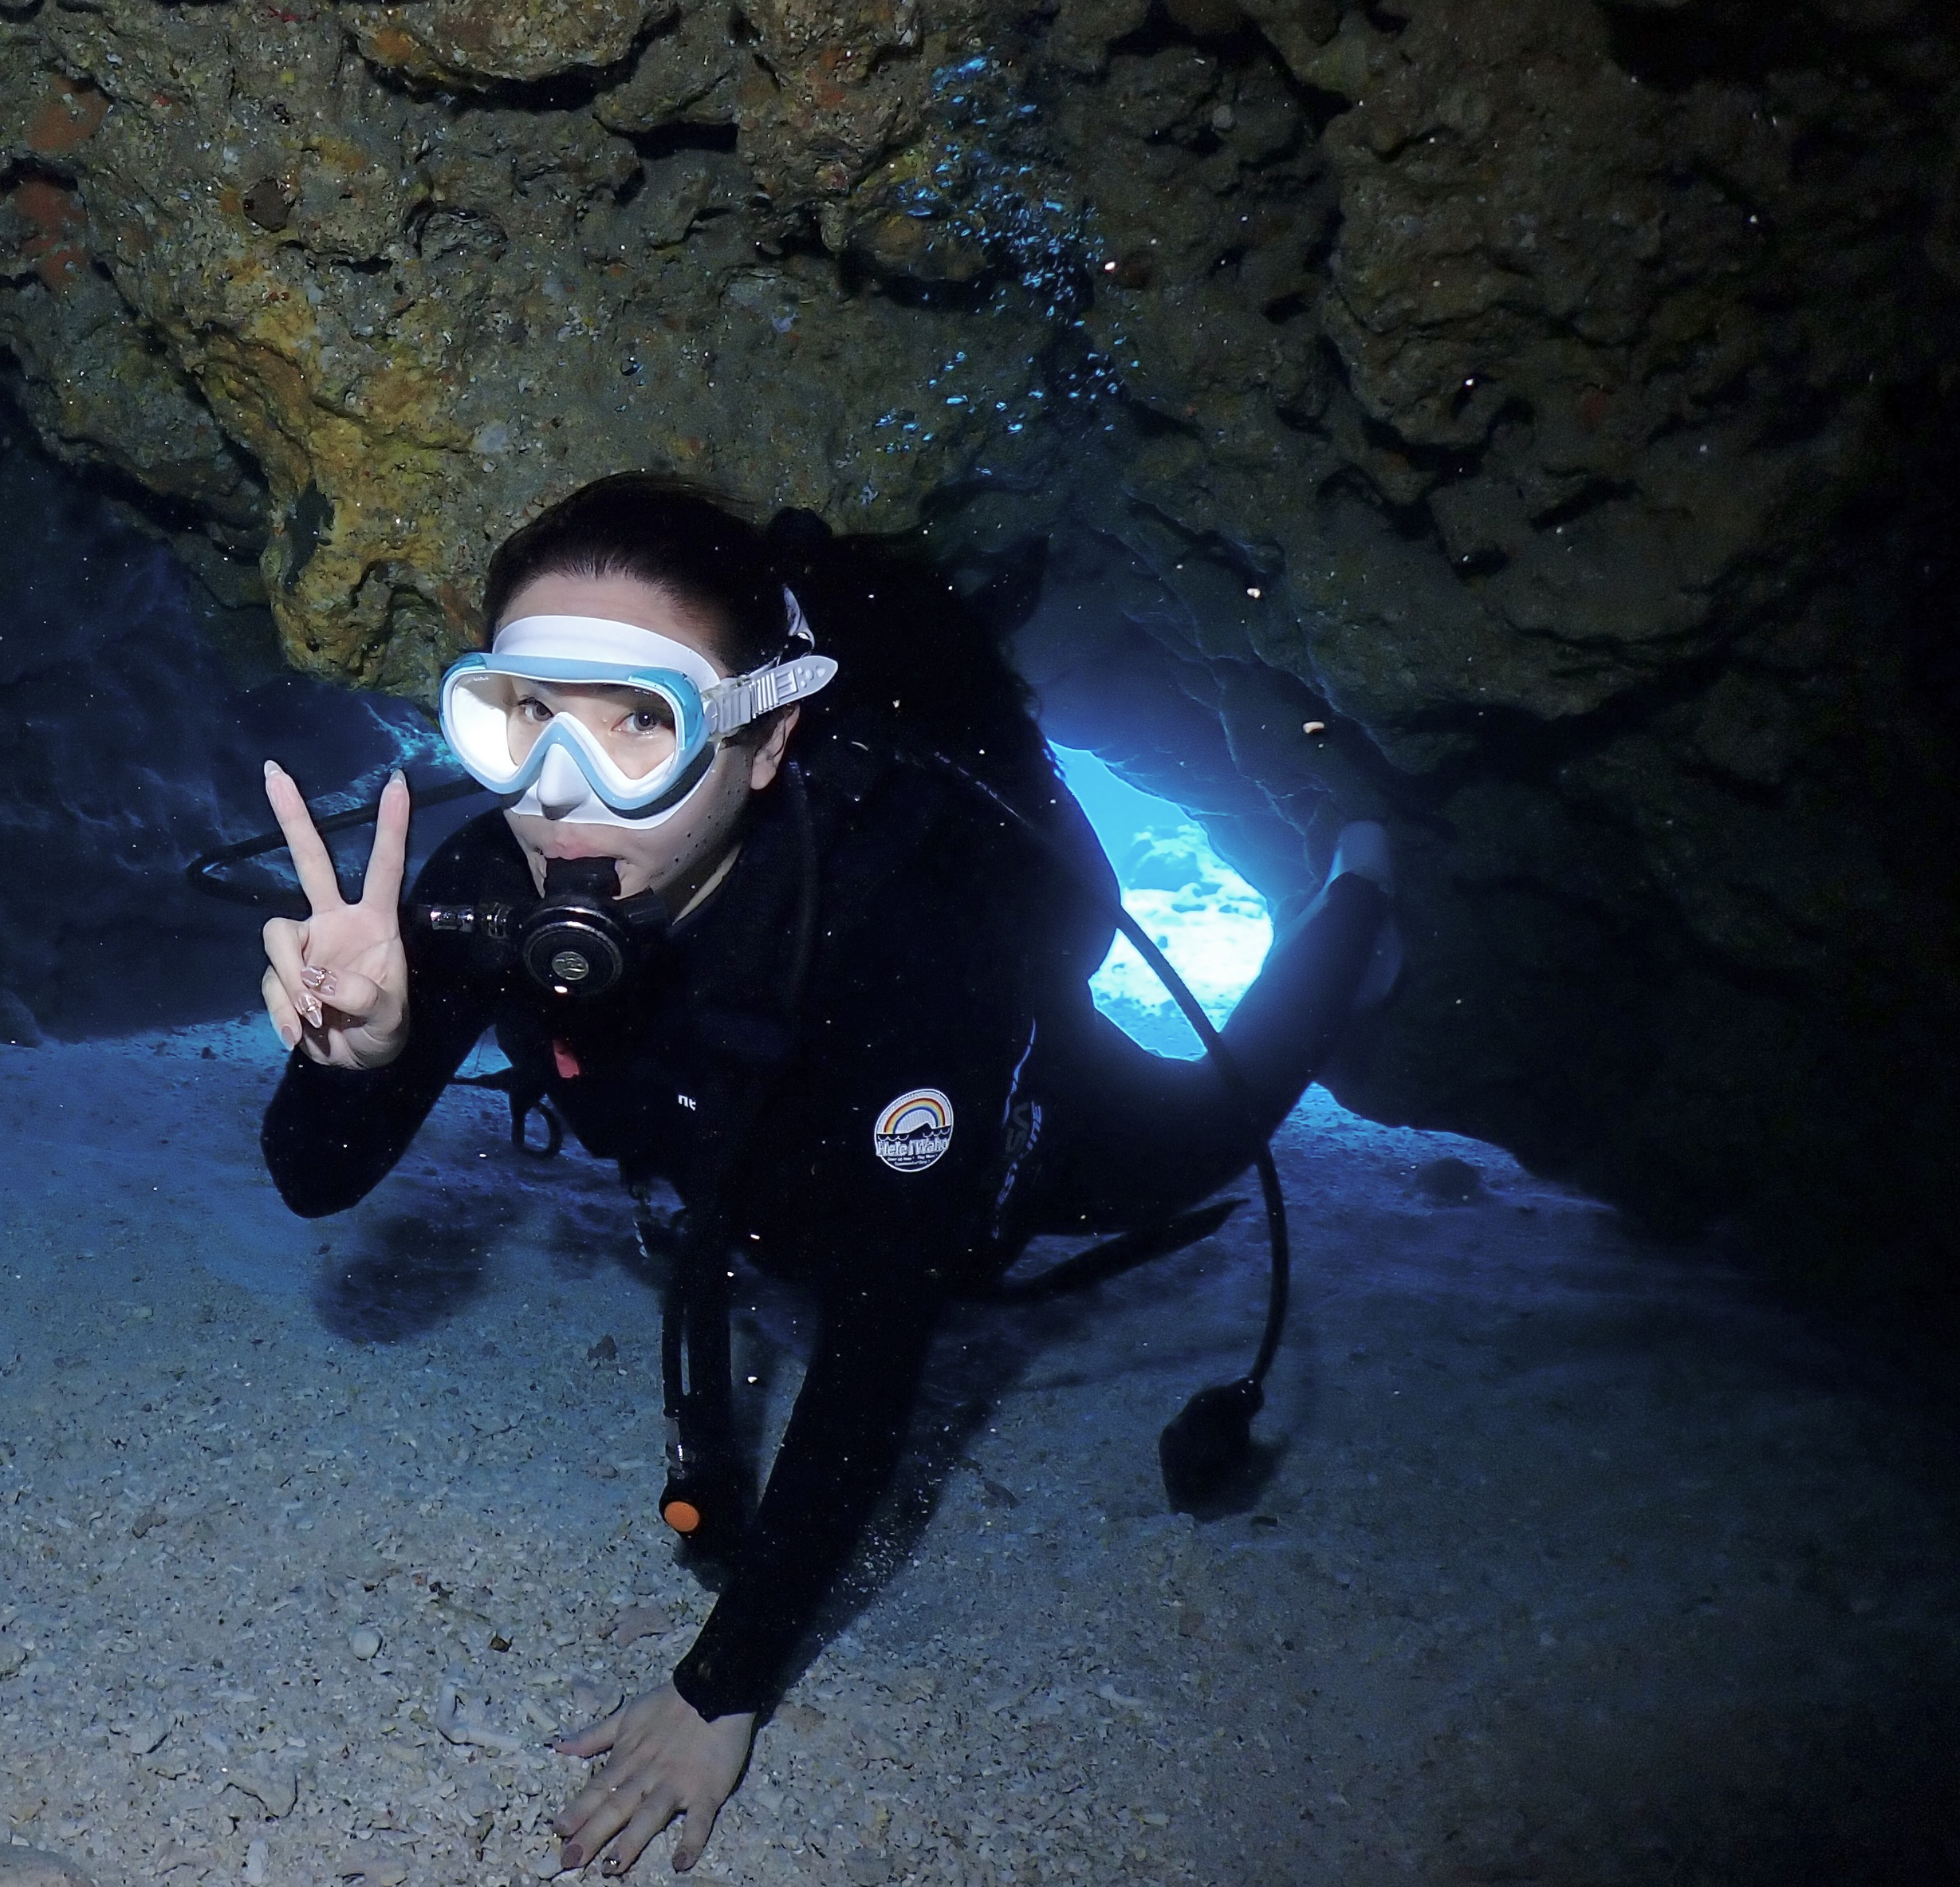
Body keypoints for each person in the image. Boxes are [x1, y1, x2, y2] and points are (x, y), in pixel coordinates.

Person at [251, 479, 1396, 1879]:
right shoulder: (490, 877)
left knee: (1195, 1141)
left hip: (990, 1112)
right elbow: (314, 1179)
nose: (561, 791)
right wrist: (354, 1054)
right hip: (730, 1157)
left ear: (766, 738)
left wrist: (719, 1688)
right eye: (525, 714)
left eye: (638, 723)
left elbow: (876, 1340)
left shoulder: (904, 936)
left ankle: (1358, 904)